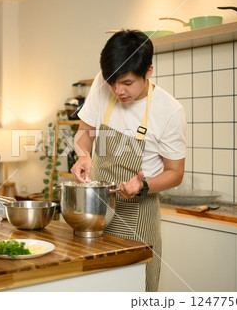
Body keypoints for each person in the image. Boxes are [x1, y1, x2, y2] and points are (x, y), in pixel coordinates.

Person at [71, 29, 187, 292]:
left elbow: (175, 172)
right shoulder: (105, 81)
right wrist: (83, 155)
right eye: (112, 83)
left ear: (148, 71)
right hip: (98, 213)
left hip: (138, 216)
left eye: (127, 83)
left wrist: (141, 187)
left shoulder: (169, 111)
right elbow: (84, 133)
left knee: (134, 291)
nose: (117, 91)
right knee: (95, 291)